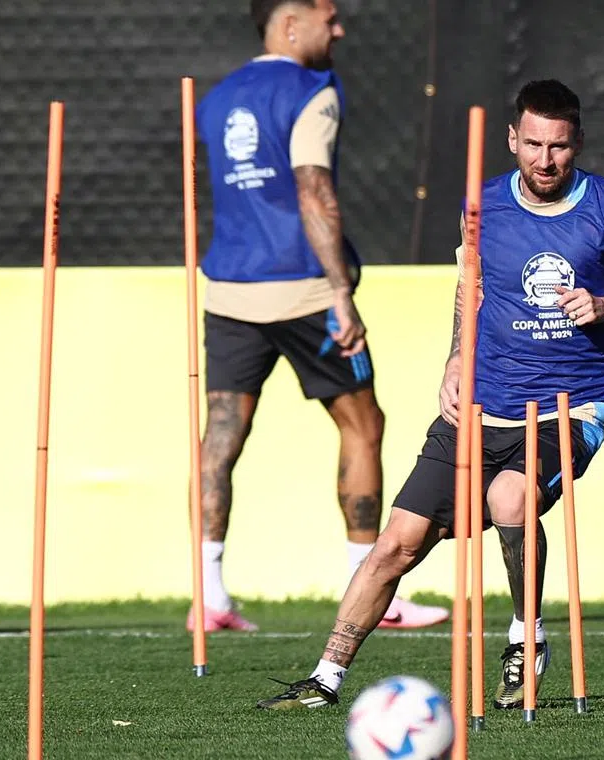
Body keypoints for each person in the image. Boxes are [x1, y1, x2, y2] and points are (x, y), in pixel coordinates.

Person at [256, 78, 604, 709]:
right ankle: (325, 679)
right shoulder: (482, 207)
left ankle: (525, 638)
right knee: (396, 542)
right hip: (487, 396)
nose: (545, 160)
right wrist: (457, 354)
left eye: (559, 147)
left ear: (578, 144)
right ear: (513, 139)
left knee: (511, 494)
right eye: (533, 144)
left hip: (574, 400)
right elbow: (471, 287)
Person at [186, 0, 448, 633]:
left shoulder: (215, 99)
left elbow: (210, 188)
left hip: (228, 289)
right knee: (363, 424)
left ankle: (209, 596)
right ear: (290, 24)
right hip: (304, 288)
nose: (340, 31)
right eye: (328, 19)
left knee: (221, 435)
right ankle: (373, 590)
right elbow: (314, 189)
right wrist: (340, 292)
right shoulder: (314, 89)